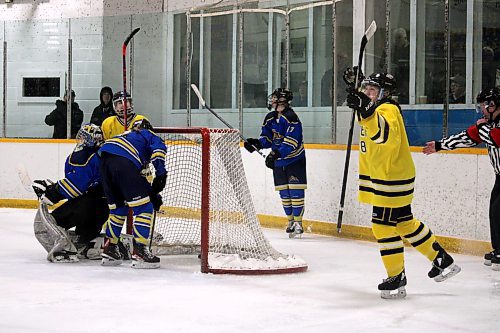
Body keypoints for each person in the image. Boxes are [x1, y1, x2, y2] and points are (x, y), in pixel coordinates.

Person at [345, 72, 461, 299]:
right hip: (391, 177)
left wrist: (365, 109)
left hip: (390, 179)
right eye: (366, 88)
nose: (367, 93)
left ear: (385, 93)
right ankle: (442, 260)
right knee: (405, 223)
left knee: (382, 226)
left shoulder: (387, 110)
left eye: (372, 90)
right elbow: (368, 118)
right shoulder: (377, 108)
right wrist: (359, 98)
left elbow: (382, 135)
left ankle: (396, 277)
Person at [423, 87, 500, 270]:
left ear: (492, 106)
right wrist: (440, 145)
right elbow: (468, 137)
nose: (481, 110)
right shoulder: (488, 125)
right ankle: (498, 249)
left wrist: (482, 127)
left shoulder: (490, 126)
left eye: (483, 106)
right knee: (495, 212)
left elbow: (496, 139)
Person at [31, 124, 109, 262]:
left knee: (54, 220)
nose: (80, 141)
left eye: (83, 138)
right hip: (100, 207)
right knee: (83, 234)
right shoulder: (98, 154)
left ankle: (67, 250)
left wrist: (52, 193)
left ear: (91, 139)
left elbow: (75, 186)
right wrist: (53, 188)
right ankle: (90, 243)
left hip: (91, 205)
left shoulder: (89, 156)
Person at [99, 118, 167, 269]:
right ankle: (140, 252)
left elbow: (133, 180)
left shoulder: (124, 136)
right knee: (144, 208)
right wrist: (161, 174)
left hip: (104, 163)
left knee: (119, 209)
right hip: (124, 163)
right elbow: (158, 153)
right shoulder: (148, 134)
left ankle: (110, 249)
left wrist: (150, 193)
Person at [244, 88, 307, 238]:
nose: (272, 101)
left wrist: (276, 153)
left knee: (295, 191)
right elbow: (268, 138)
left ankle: (299, 222)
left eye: (275, 98)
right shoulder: (270, 118)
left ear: (283, 100)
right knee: (284, 192)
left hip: (294, 159)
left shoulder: (291, 118)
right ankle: (290, 221)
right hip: (278, 161)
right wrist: (257, 144)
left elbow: (291, 141)